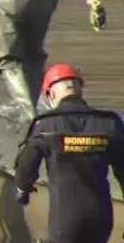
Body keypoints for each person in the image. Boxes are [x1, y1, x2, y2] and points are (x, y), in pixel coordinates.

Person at [14, 64, 124, 243]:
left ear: (51, 94)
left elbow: (26, 163)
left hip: (65, 218)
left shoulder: (45, 125)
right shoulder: (109, 124)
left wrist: (22, 189)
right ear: (80, 89)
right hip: (101, 218)